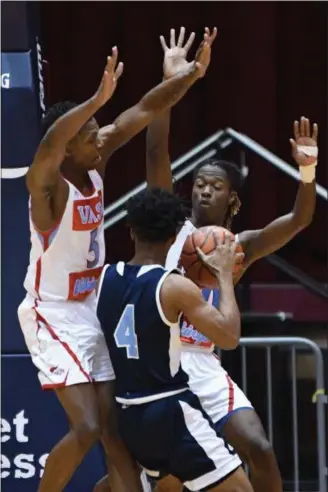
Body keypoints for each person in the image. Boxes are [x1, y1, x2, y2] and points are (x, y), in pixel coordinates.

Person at [17, 39, 213, 492]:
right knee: (86, 428)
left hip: (92, 304)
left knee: (115, 431)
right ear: (67, 147)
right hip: (53, 311)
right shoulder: (49, 188)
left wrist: (187, 76)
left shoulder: (94, 158)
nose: (100, 137)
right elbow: (46, 148)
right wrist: (95, 100)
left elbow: (144, 109)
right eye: (89, 134)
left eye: (99, 130)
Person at [144, 27, 318, 492]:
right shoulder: (170, 227)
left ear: (232, 200)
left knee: (258, 448)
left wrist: (307, 169)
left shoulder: (239, 244)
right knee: (164, 481)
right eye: (199, 181)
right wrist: (170, 84)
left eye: (215, 185)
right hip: (162, 360)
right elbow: (155, 149)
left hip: (203, 359)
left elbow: (300, 219)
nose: (204, 188)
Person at [97, 187, 254, 492]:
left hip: (128, 416)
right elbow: (230, 336)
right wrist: (223, 275)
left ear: (130, 231)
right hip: (170, 413)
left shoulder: (104, 279)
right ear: (174, 238)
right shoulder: (174, 287)